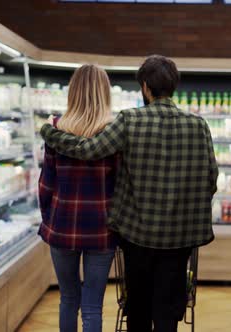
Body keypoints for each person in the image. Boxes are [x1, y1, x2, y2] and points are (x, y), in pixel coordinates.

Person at [40, 55, 218, 332]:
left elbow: (86, 152)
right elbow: (211, 179)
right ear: (175, 86)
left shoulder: (130, 120)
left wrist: (49, 132)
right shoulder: (199, 125)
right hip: (180, 237)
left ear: (145, 87)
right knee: (168, 306)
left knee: (136, 306)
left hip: (136, 235)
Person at [38, 64, 118, 332]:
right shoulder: (114, 130)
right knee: (93, 304)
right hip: (102, 229)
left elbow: (46, 184)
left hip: (62, 226)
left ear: (72, 92)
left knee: (68, 298)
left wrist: (49, 219)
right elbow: (121, 184)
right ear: (104, 92)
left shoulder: (57, 129)